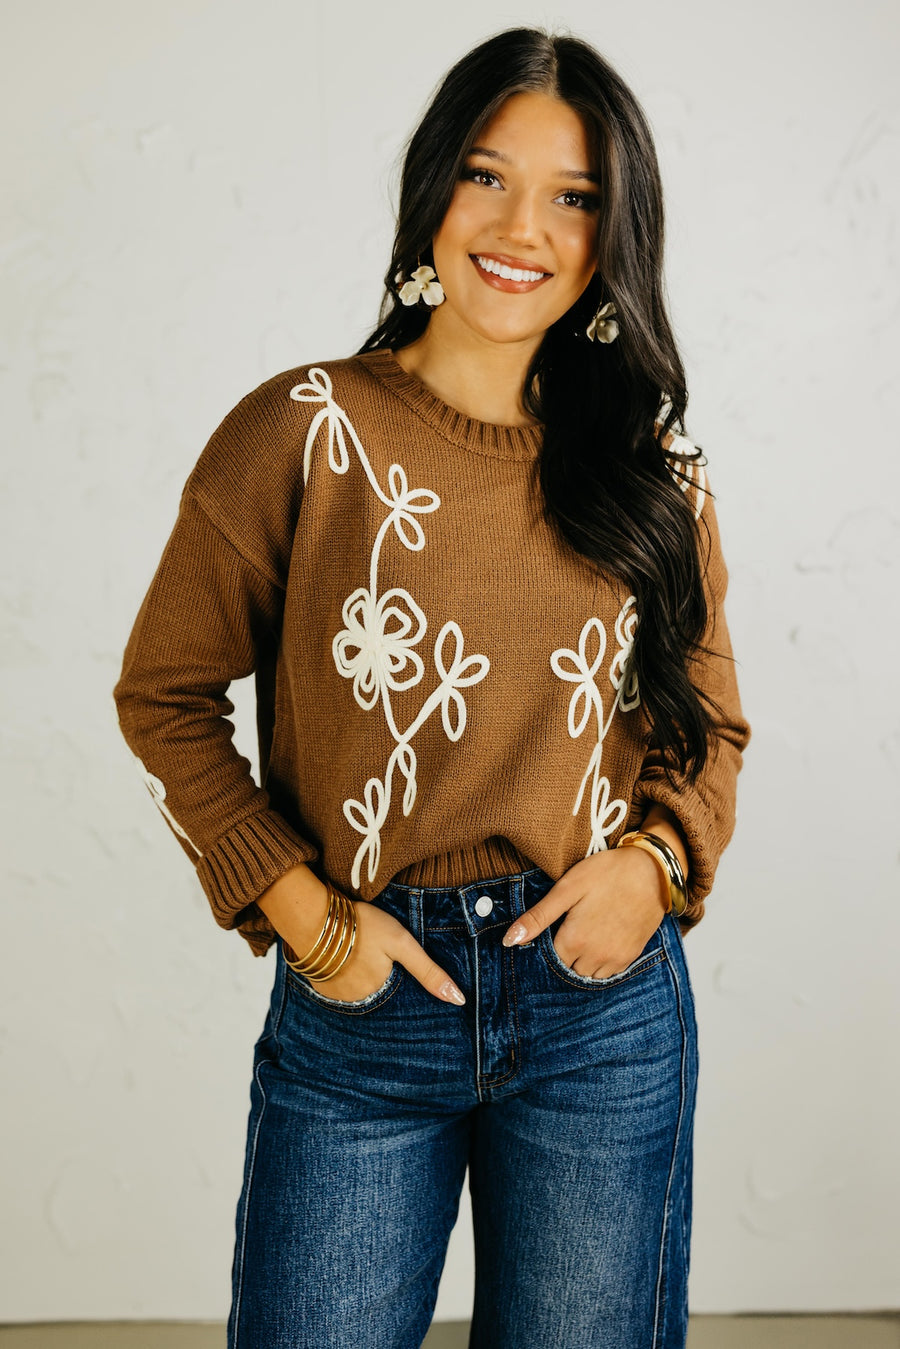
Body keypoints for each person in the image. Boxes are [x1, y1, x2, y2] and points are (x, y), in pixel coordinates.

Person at [112, 25, 750, 1349]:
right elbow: (163, 695)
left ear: (613, 233)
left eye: (575, 196)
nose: (525, 226)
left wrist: (655, 868)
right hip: (362, 1004)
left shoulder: (653, 467)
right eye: (486, 175)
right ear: (431, 196)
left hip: (599, 1011)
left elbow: (709, 725)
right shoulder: (305, 428)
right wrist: (310, 919)